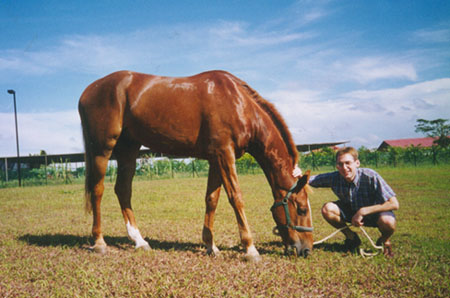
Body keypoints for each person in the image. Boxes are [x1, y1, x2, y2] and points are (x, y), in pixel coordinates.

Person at [293, 147, 399, 257]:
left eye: (348, 163)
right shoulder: (334, 177)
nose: (344, 168)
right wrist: (297, 172)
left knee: (388, 221)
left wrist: (362, 212)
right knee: (327, 209)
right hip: (351, 213)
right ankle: (351, 237)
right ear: (337, 166)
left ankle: (384, 240)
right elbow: (308, 180)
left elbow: (394, 204)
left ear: (357, 163)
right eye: (340, 164)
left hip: (375, 214)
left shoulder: (371, 176)